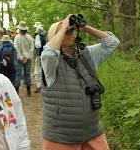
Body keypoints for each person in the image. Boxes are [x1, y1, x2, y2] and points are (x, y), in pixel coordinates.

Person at [41, 15, 120, 150]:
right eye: (67, 32)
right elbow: (48, 53)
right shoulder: (50, 64)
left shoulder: (86, 54)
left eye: (72, 31)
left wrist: (85, 28)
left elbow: (112, 42)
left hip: (92, 132)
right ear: (56, 38)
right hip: (61, 136)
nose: (71, 33)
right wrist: (63, 26)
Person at [14, 21, 34, 96]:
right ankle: (28, 91)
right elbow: (31, 48)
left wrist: (21, 57)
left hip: (20, 59)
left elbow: (16, 48)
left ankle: (17, 92)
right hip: (26, 58)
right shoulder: (29, 37)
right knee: (26, 74)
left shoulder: (17, 37)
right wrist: (26, 57)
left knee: (19, 74)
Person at [33, 26, 47, 93]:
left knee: (37, 71)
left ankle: (39, 86)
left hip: (40, 55)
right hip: (46, 55)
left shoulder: (38, 36)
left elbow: (38, 45)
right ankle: (45, 85)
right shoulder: (47, 35)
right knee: (45, 70)